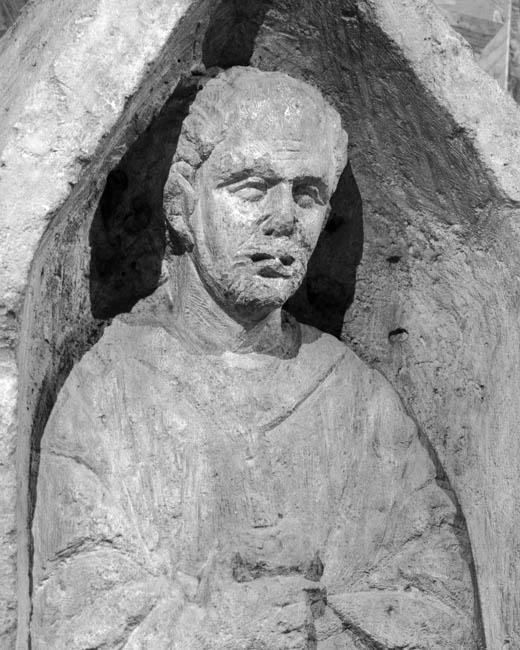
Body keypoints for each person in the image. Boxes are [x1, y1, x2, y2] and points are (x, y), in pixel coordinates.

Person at [31, 67, 478, 649]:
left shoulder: (359, 402)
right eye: (251, 187)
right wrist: (228, 627)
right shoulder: (110, 391)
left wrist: (311, 624)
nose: (285, 218)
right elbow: (77, 612)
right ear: (182, 205)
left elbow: (439, 609)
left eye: (308, 194)